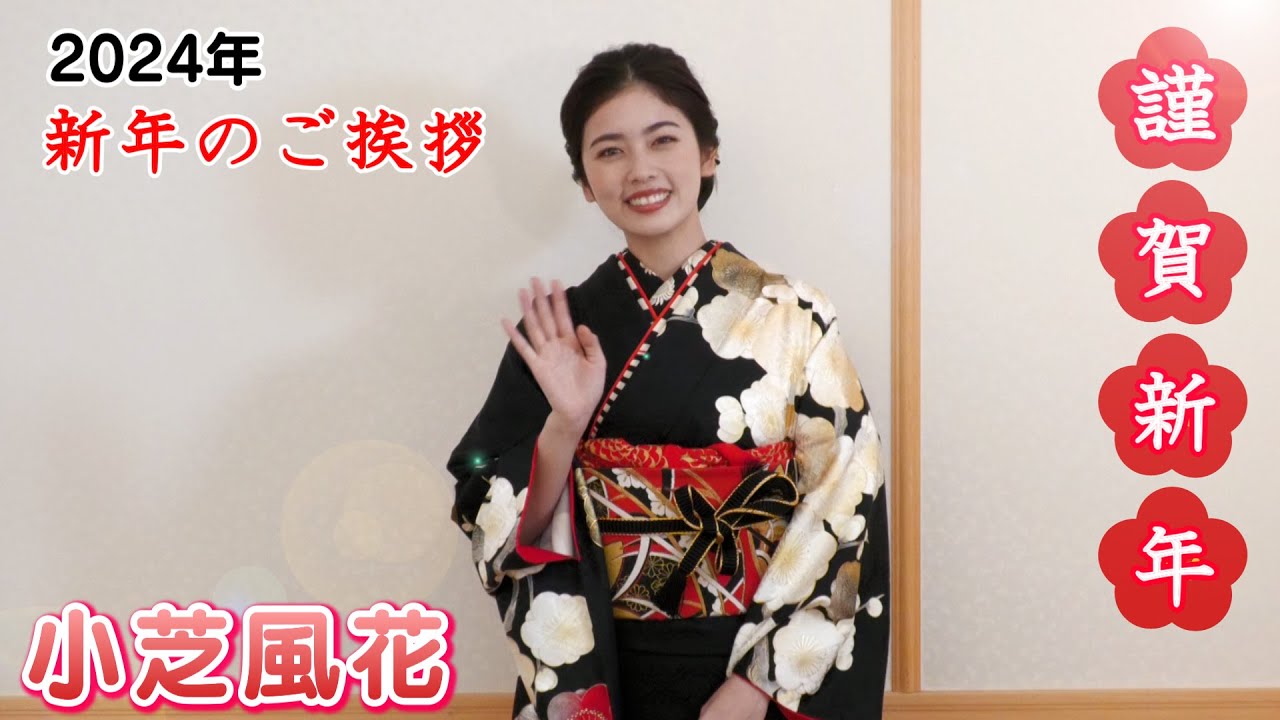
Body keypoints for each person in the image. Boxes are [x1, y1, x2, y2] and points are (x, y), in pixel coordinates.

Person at [447, 43, 889, 720]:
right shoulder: (558, 333)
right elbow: (496, 522)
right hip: (604, 665)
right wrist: (565, 426)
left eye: (663, 139)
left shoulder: (795, 317)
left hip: (753, 668)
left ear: (708, 154)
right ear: (585, 181)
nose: (640, 169)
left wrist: (758, 686)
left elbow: (846, 504)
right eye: (610, 151)